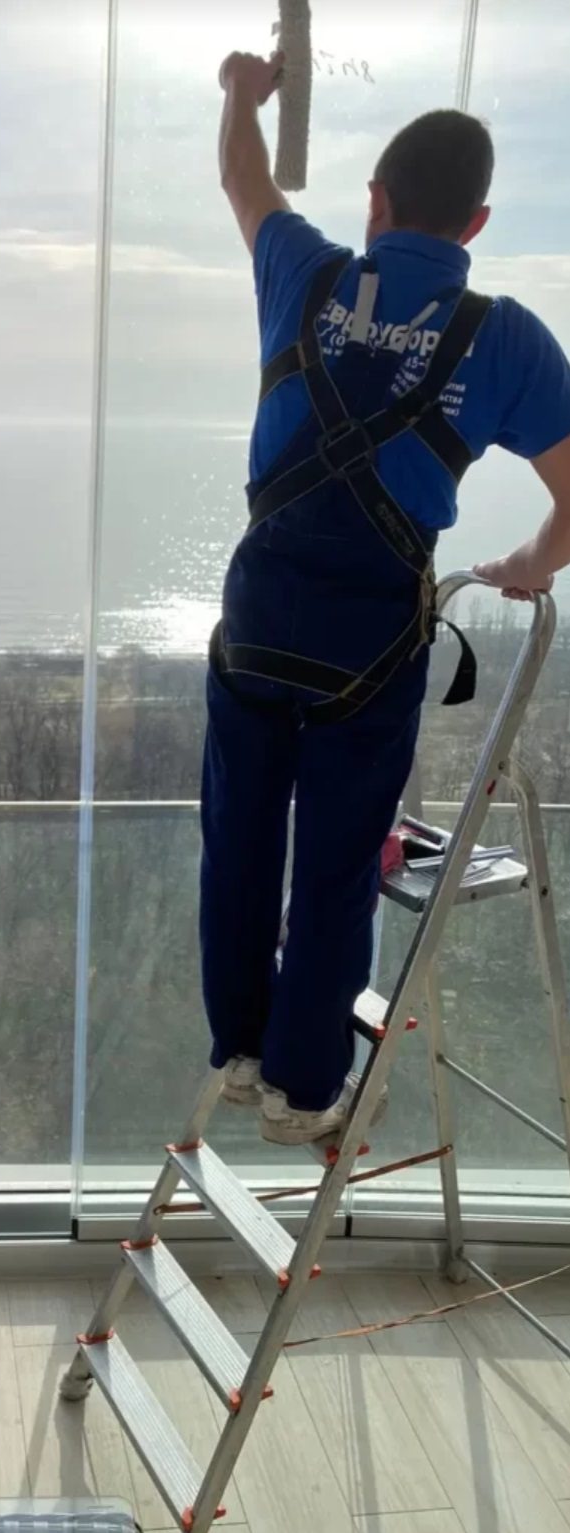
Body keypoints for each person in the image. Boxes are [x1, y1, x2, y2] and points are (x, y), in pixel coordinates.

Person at [204, 51, 570, 1144]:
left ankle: (239, 1048)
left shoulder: (305, 273)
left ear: (375, 201)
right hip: (367, 637)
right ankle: (301, 1089)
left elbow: (242, 178)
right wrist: (530, 562)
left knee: (239, 838)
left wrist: (242, 95)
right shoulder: (503, 337)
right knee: (335, 864)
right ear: (476, 223)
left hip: (259, 614)